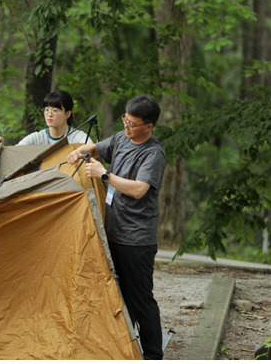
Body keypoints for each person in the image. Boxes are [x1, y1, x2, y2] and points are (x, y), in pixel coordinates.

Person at [66, 94, 166, 360]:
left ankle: (154, 355)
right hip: (112, 233)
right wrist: (80, 150)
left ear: (149, 126)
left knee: (140, 300)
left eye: (132, 124)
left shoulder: (153, 153)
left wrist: (105, 175)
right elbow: (96, 148)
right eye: (125, 120)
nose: (126, 127)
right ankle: (126, 349)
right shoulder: (122, 139)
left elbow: (139, 190)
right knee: (116, 296)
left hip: (136, 240)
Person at [0, 89, 92, 148]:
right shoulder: (37, 138)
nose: (49, 114)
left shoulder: (78, 137)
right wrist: (1, 147)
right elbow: (16, 152)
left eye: (55, 110)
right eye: (46, 110)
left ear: (68, 114)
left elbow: (92, 148)